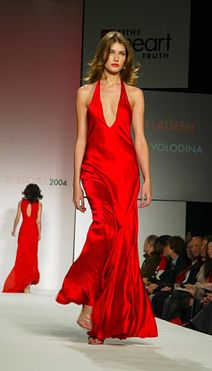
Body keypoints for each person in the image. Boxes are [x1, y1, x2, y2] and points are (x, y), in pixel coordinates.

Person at [56, 31, 158, 345]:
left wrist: (147, 178)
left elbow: (139, 138)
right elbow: (81, 140)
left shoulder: (136, 94)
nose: (116, 58)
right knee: (104, 231)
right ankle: (89, 302)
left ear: (126, 59)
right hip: (95, 170)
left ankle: (96, 316)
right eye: (111, 52)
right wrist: (76, 182)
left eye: (122, 54)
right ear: (102, 55)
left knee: (123, 241)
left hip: (125, 172)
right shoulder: (84, 93)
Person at [2, 184, 43, 293]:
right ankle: (27, 286)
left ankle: (22, 283)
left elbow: (17, 218)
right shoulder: (39, 205)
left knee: (22, 258)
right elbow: (38, 221)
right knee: (31, 258)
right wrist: (39, 233)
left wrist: (14, 229)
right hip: (33, 232)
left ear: (26, 192)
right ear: (37, 192)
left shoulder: (21, 203)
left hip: (24, 231)